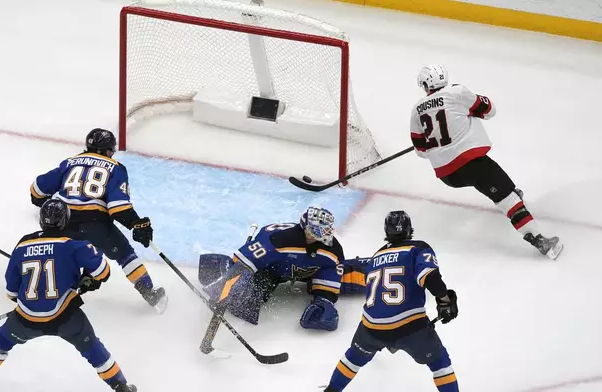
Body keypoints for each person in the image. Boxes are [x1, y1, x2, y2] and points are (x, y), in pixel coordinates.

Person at [0, 200, 137, 392]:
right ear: (65, 220)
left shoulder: (23, 244)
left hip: (25, 320)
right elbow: (103, 272)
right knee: (93, 348)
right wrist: (86, 278)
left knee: (2, 341)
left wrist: (32, 299)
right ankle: (120, 386)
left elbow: (11, 292)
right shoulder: (74, 243)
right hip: (66, 319)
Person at [410, 65, 562, 260]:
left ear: (425, 85)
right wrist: (470, 113)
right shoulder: (457, 92)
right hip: (471, 163)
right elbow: (490, 110)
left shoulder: (416, 110)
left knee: (492, 179)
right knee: (507, 198)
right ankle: (539, 240)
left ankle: (507, 193)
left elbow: (420, 150)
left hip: (448, 175)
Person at [30, 128, 167, 311]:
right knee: (125, 255)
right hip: (95, 224)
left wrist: (47, 205)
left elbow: (36, 191)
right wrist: (136, 223)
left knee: (57, 250)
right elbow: (118, 208)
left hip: (62, 222)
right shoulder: (116, 167)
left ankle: (41, 283)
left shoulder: (70, 162)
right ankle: (150, 293)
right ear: (109, 150)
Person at [324, 211, 459, 392]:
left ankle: (332, 390)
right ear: (410, 229)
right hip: (410, 326)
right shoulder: (417, 248)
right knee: (440, 362)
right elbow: (430, 277)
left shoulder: (375, 257)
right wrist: (444, 301)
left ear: (386, 231)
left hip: (371, 327)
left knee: (353, 358)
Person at [198, 206, 346, 331]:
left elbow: (331, 269)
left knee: (351, 277)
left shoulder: (333, 250)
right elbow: (243, 260)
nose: (326, 234)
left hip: (305, 270)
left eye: (327, 230)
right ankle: (219, 268)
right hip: (273, 267)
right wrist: (226, 285)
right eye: (319, 230)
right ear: (306, 229)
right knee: (244, 303)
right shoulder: (278, 240)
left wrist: (325, 300)